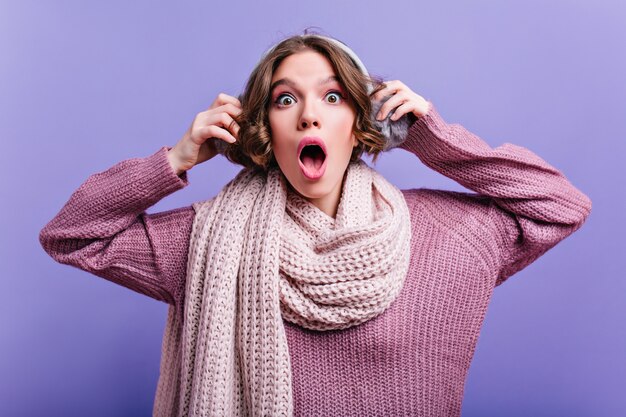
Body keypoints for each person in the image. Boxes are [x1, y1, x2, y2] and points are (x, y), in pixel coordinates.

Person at [39, 33, 592, 417]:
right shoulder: (207, 242)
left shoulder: (450, 233)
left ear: (361, 123)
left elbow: (561, 204)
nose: (309, 113)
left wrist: (434, 138)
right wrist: (176, 158)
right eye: (285, 100)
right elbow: (72, 234)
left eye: (332, 96)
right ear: (264, 130)